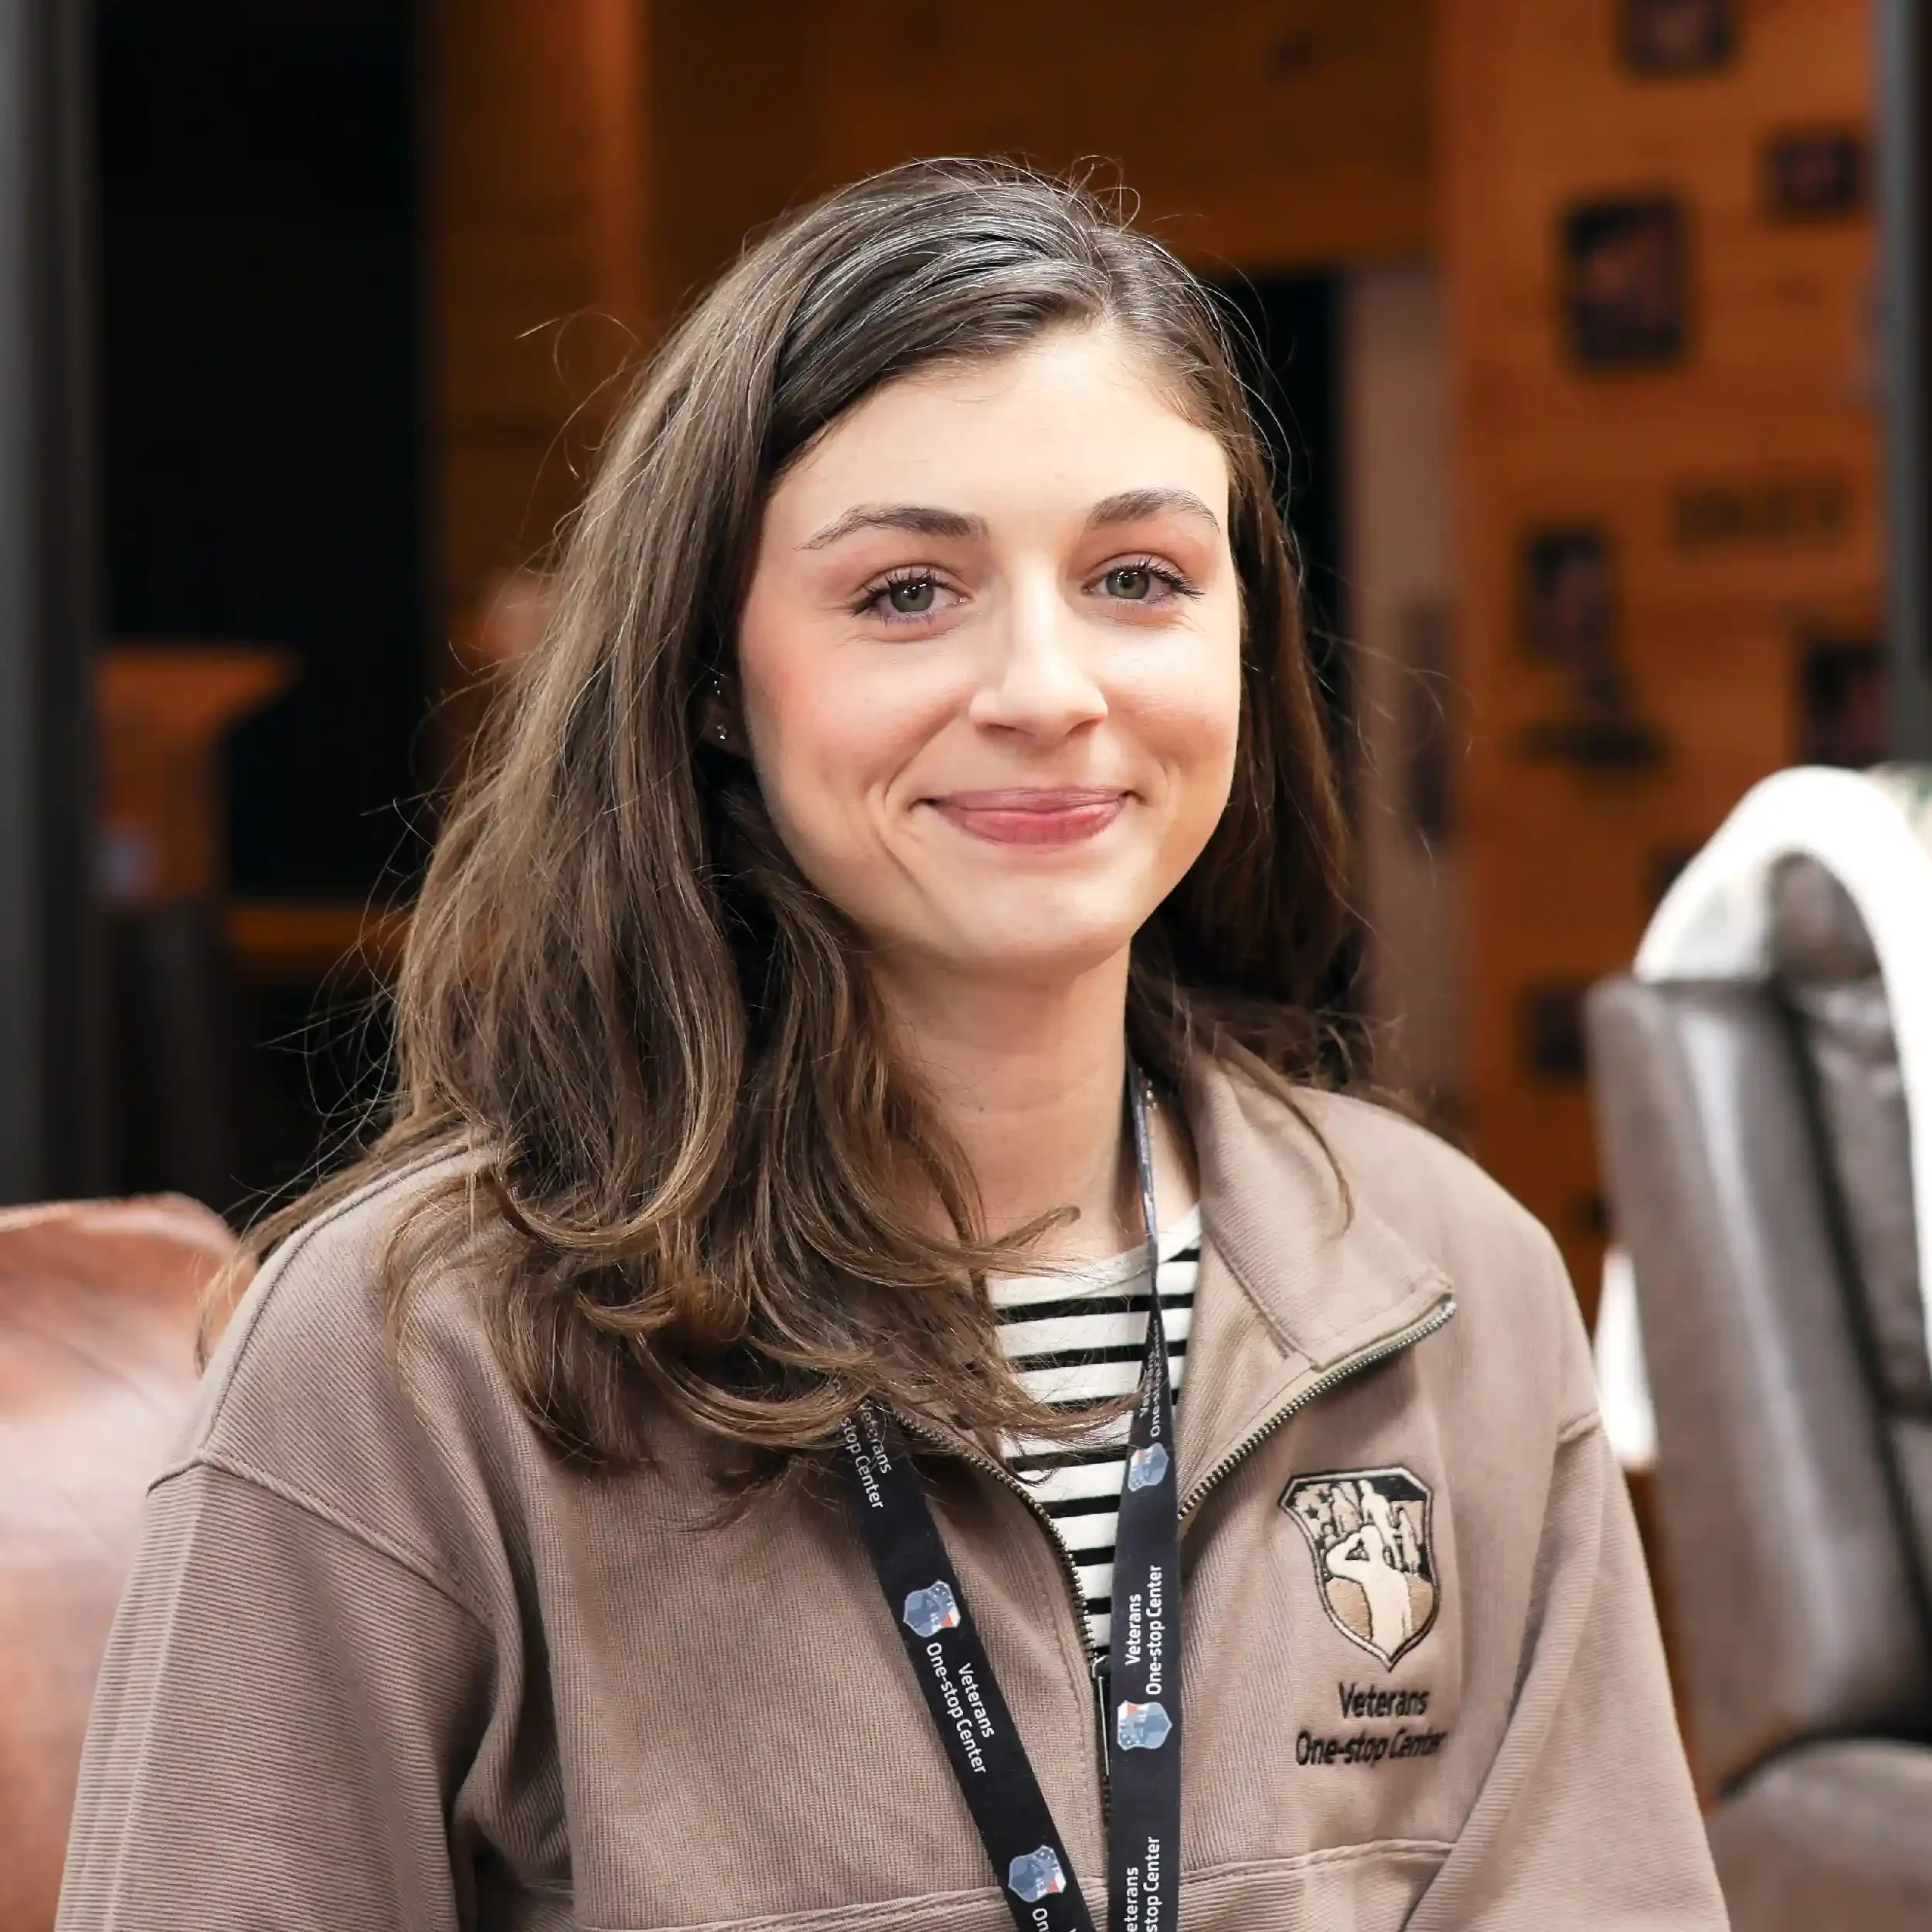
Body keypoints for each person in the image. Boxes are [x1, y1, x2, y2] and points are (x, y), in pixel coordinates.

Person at [56, 162, 1725, 1932]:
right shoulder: (407, 1355)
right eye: (908, 592)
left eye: (1138, 575)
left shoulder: (1446, 1278)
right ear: (712, 673)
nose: (1044, 685)